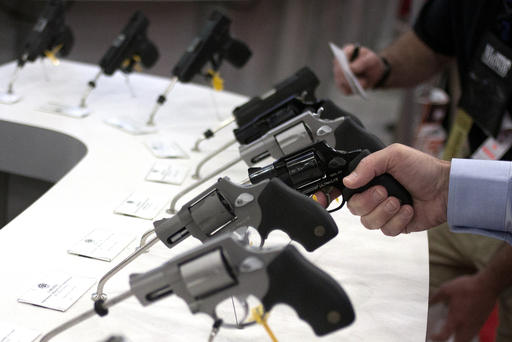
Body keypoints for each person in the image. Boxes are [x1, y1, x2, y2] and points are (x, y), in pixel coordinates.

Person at [330, 1, 512, 341]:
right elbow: (432, 40)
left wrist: (487, 284)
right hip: (475, 174)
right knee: (369, 288)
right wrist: (382, 66)